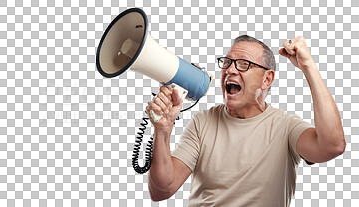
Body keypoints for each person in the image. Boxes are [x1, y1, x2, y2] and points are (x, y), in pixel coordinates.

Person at [145, 35, 346, 206]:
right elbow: (162, 190)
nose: (230, 70)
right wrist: (163, 130)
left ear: (267, 79)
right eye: (227, 62)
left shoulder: (286, 127)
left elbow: (333, 145)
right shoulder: (202, 122)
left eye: (243, 64)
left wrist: (308, 66)